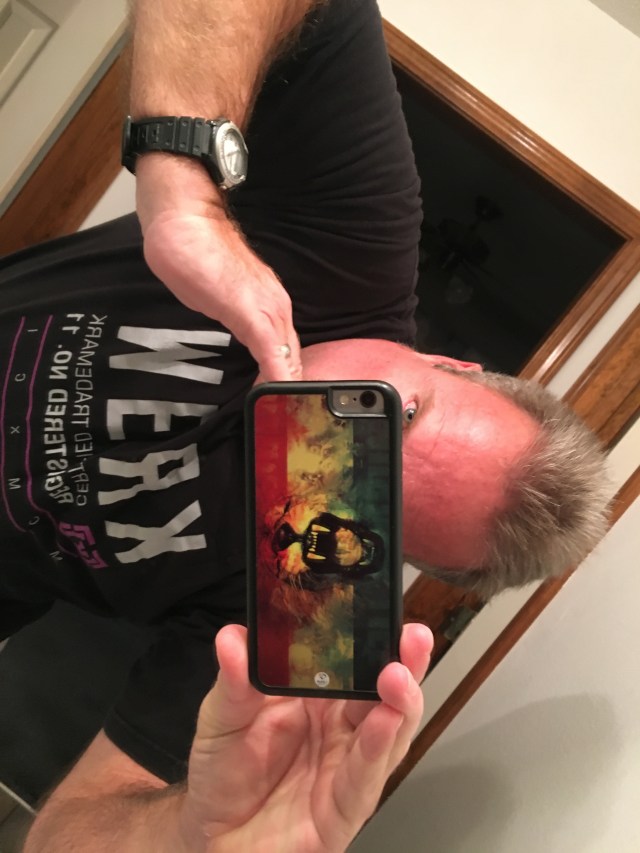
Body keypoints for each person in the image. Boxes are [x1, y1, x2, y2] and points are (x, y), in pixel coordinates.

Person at [0, 0, 608, 849]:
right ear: (452, 364)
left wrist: (191, 832)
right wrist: (183, 195)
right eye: (393, 416)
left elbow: (62, 833)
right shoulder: (354, 247)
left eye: (367, 496)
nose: (324, 448)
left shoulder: (296, 605)